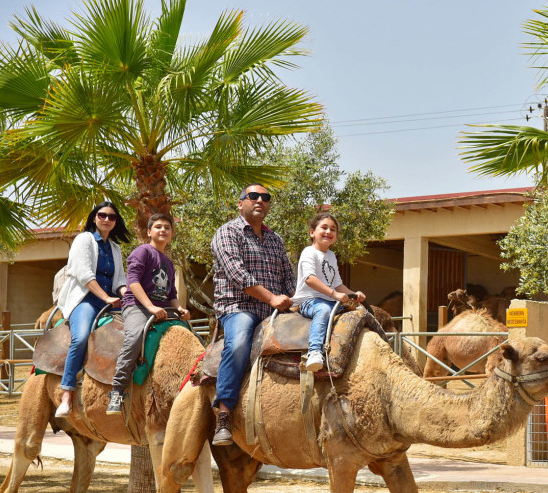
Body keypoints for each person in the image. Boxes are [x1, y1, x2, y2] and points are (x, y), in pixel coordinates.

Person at [209, 184, 295, 445]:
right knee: (238, 346)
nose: (260, 200)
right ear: (240, 203)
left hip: (274, 311)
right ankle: (223, 414)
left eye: (265, 198)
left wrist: (298, 302)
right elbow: (238, 276)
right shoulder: (227, 233)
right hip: (238, 308)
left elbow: (288, 279)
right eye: (253, 196)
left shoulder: (275, 240)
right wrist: (272, 298)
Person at [106, 213, 191, 415]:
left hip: (163, 309)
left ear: (171, 233)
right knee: (135, 336)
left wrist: (179, 308)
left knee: (190, 335)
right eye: (158, 227)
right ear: (149, 232)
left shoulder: (169, 263)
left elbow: (171, 294)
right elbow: (133, 282)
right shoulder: (142, 252)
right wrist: (150, 307)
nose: (163, 230)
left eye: (167, 228)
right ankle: (117, 390)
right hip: (137, 307)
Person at [54, 202, 131, 417]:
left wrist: (128, 296)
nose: (107, 219)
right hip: (85, 300)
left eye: (112, 217)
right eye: (102, 215)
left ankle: (119, 389)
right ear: (94, 217)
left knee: (135, 331)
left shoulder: (115, 248)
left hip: (110, 302)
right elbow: (84, 274)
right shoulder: (84, 240)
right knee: (80, 338)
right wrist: (106, 297)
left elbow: (120, 280)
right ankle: (67, 394)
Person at [292, 212, 366, 371]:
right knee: (323, 310)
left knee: (359, 313)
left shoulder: (331, 256)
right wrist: (333, 294)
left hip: (332, 301)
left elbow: (338, 284)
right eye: (324, 227)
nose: (328, 232)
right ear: (312, 232)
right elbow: (310, 279)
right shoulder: (309, 252)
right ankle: (314, 352)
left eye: (333, 229)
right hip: (310, 300)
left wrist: (354, 295)